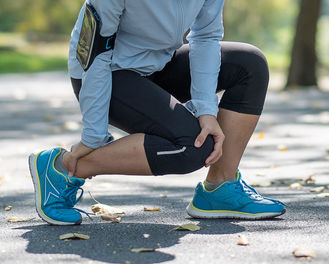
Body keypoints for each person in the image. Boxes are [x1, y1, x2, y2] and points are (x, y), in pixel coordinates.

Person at [27, 0, 285, 226]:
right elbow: (96, 52)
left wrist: (206, 109)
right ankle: (62, 169)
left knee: (250, 64)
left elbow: (205, 37)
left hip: (159, 64)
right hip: (105, 73)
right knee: (193, 148)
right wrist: (93, 135)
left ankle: (220, 187)